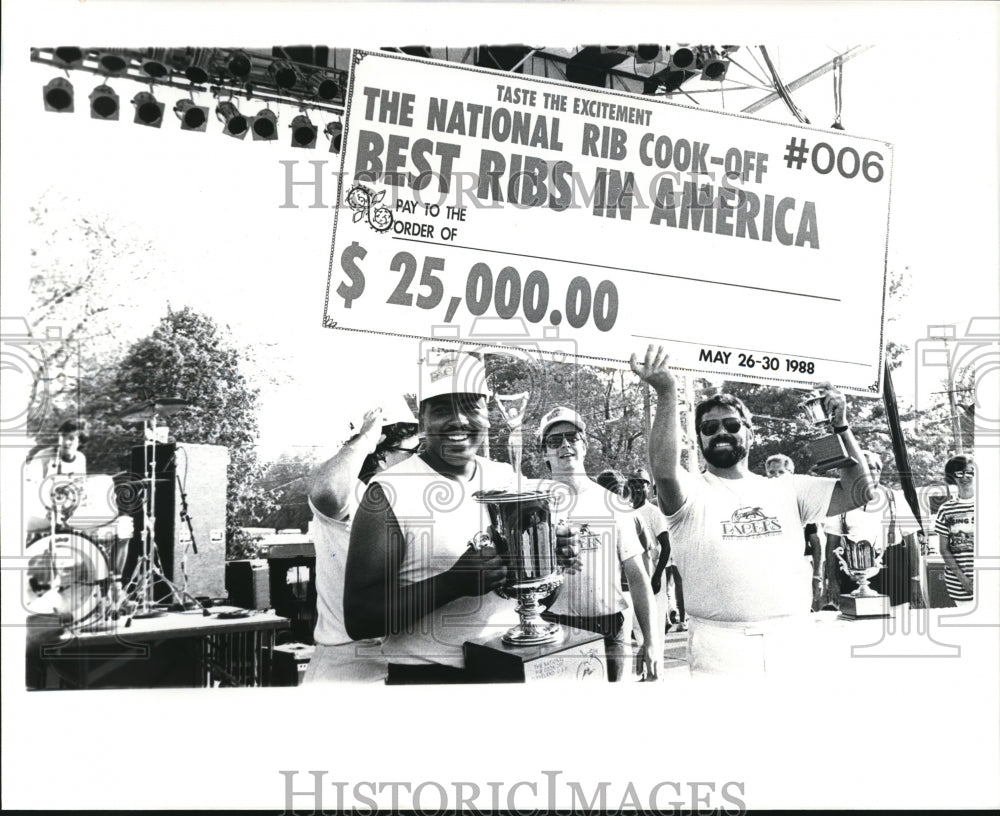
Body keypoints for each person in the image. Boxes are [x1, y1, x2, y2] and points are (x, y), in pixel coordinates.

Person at [630, 344, 874, 674]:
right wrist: (667, 391)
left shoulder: (787, 486)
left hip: (792, 638)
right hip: (720, 648)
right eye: (709, 427)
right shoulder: (691, 491)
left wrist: (840, 426)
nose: (721, 432)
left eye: (732, 425)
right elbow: (662, 470)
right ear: (698, 439)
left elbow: (859, 492)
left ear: (751, 432)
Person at [344, 350, 517, 683]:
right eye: (441, 408)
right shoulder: (387, 492)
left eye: (470, 405)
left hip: (507, 666)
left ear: (488, 415)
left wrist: (548, 559)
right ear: (422, 420)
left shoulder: (505, 477)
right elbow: (359, 617)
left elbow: (530, 591)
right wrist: (452, 583)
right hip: (428, 678)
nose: (458, 420)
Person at [538, 407, 662, 681]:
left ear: (585, 445)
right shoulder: (537, 504)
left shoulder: (614, 504)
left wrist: (651, 641)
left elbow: (638, 578)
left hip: (610, 628)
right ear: (544, 453)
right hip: (556, 627)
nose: (565, 445)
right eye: (554, 441)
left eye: (571, 437)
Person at [304, 399, 420, 683]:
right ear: (380, 455)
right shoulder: (356, 495)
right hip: (350, 664)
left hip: (404, 656)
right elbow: (326, 490)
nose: (421, 459)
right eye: (413, 452)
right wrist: (367, 436)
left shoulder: (410, 502)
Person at [823, 450, 921, 609]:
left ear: (879, 471)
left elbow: (912, 540)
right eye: (861, 469)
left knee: (894, 623)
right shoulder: (840, 500)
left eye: (871, 468)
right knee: (855, 625)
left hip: (893, 570)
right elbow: (832, 543)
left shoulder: (894, 497)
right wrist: (832, 581)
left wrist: (915, 579)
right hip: (852, 571)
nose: (866, 474)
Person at [765, 454, 825, 610]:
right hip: (772, 568)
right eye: (771, 473)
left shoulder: (803, 502)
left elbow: (816, 542)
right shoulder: (762, 502)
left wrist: (817, 576)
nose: (776, 477)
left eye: (781, 472)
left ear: (791, 473)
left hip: (801, 566)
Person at [632, 469, 685, 633]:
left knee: (655, 619)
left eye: (642, 485)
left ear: (648, 488)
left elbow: (666, 545)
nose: (637, 489)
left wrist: (657, 575)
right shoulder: (626, 512)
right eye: (633, 485)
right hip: (634, 568)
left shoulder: (653, 512)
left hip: (652, 567)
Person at [935, 455, 975, 607]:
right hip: (959, 583)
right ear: (952, 476)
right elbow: (944, 549)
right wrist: (963, 579)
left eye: (970, 472)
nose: (965, 477)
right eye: (960, 473)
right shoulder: (946, 509)